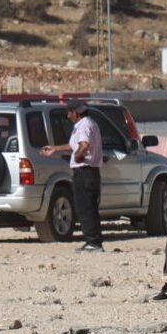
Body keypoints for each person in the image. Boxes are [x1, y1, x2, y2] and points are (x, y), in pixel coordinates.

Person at [39, 99, 104, 251]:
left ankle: (93, 242)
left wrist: (77, 156)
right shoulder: (86, 124)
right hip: (89, 172)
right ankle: (94, 241)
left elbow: (84, 145)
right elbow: (74, 145)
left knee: (85, 207)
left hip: (85, 171)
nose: (68, 116)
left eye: (69, 112)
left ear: (75, 112)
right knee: (88, 207)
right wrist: (55, 149)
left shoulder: (84, 125)